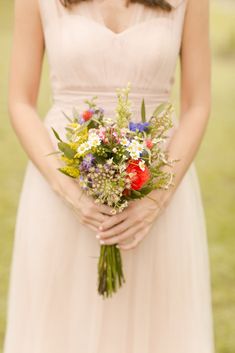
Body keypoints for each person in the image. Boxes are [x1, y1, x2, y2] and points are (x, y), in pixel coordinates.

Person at [3, 0, 215, 352]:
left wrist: (156, 199)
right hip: (61, 187)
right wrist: (69, 192)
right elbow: (19, 102)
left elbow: (198, 104)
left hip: (158, 185)